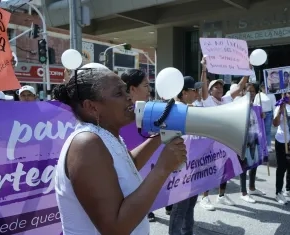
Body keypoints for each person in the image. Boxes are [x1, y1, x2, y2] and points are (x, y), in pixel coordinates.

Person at [54, 66, 187, 235]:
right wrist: (162, 169)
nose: (129, 97)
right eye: (119, 94)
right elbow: (114, 228)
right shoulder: (86, 144)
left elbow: (128, 166)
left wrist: (159, 137)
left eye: (126, 91)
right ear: (91, 107)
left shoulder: (104, 136)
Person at [199, 56, 249, 210]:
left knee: (224, 169)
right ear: (211, 89)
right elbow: (202, 86)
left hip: (224, 141)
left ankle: (221, 196)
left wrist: (248, 68)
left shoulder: (227, 99)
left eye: (221, 87)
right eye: (216, 87)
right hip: (210, 141)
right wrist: (204, 69)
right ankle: (204, 198)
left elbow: (241, 86)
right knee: (208, 169)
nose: (219, 89)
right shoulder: (206, 100)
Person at [120, 68, 169, 221]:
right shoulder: (118, 113)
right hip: (127, 176)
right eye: (146, 85)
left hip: (143, 171)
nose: (150, 89)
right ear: (132, 89)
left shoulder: (148, 111)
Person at [168, 76, 203, 235]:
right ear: (184, 92)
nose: (197, 93)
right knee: (181, 206)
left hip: (192, 165)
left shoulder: (190, 108)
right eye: (194, 90)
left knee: (190, 204)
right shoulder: (176, 110)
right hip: (182, 167)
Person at [239, 83, 265, 204]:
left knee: (254, 163)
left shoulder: (256, 107)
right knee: (243, 165)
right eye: (248, 91)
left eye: (253, 91)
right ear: (243, 92)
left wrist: (261, 116)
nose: (251, 94)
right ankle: (243, 192)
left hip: (254, 137)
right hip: (243, 140)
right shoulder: (239, 106)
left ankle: (252, 188)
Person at [254, 83, 276, 153]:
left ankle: (268, 146)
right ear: (261, 88)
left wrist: (275, 116)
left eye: (265, 87)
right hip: (260, 114)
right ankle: (261, 146)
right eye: (263, 87)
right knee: (260, 130)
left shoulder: (271, 95)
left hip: (269, 114)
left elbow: (274, 106)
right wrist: (258, 113)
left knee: (267, 130)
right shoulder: (258, 95)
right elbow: (255, 104)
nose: (264, 88)